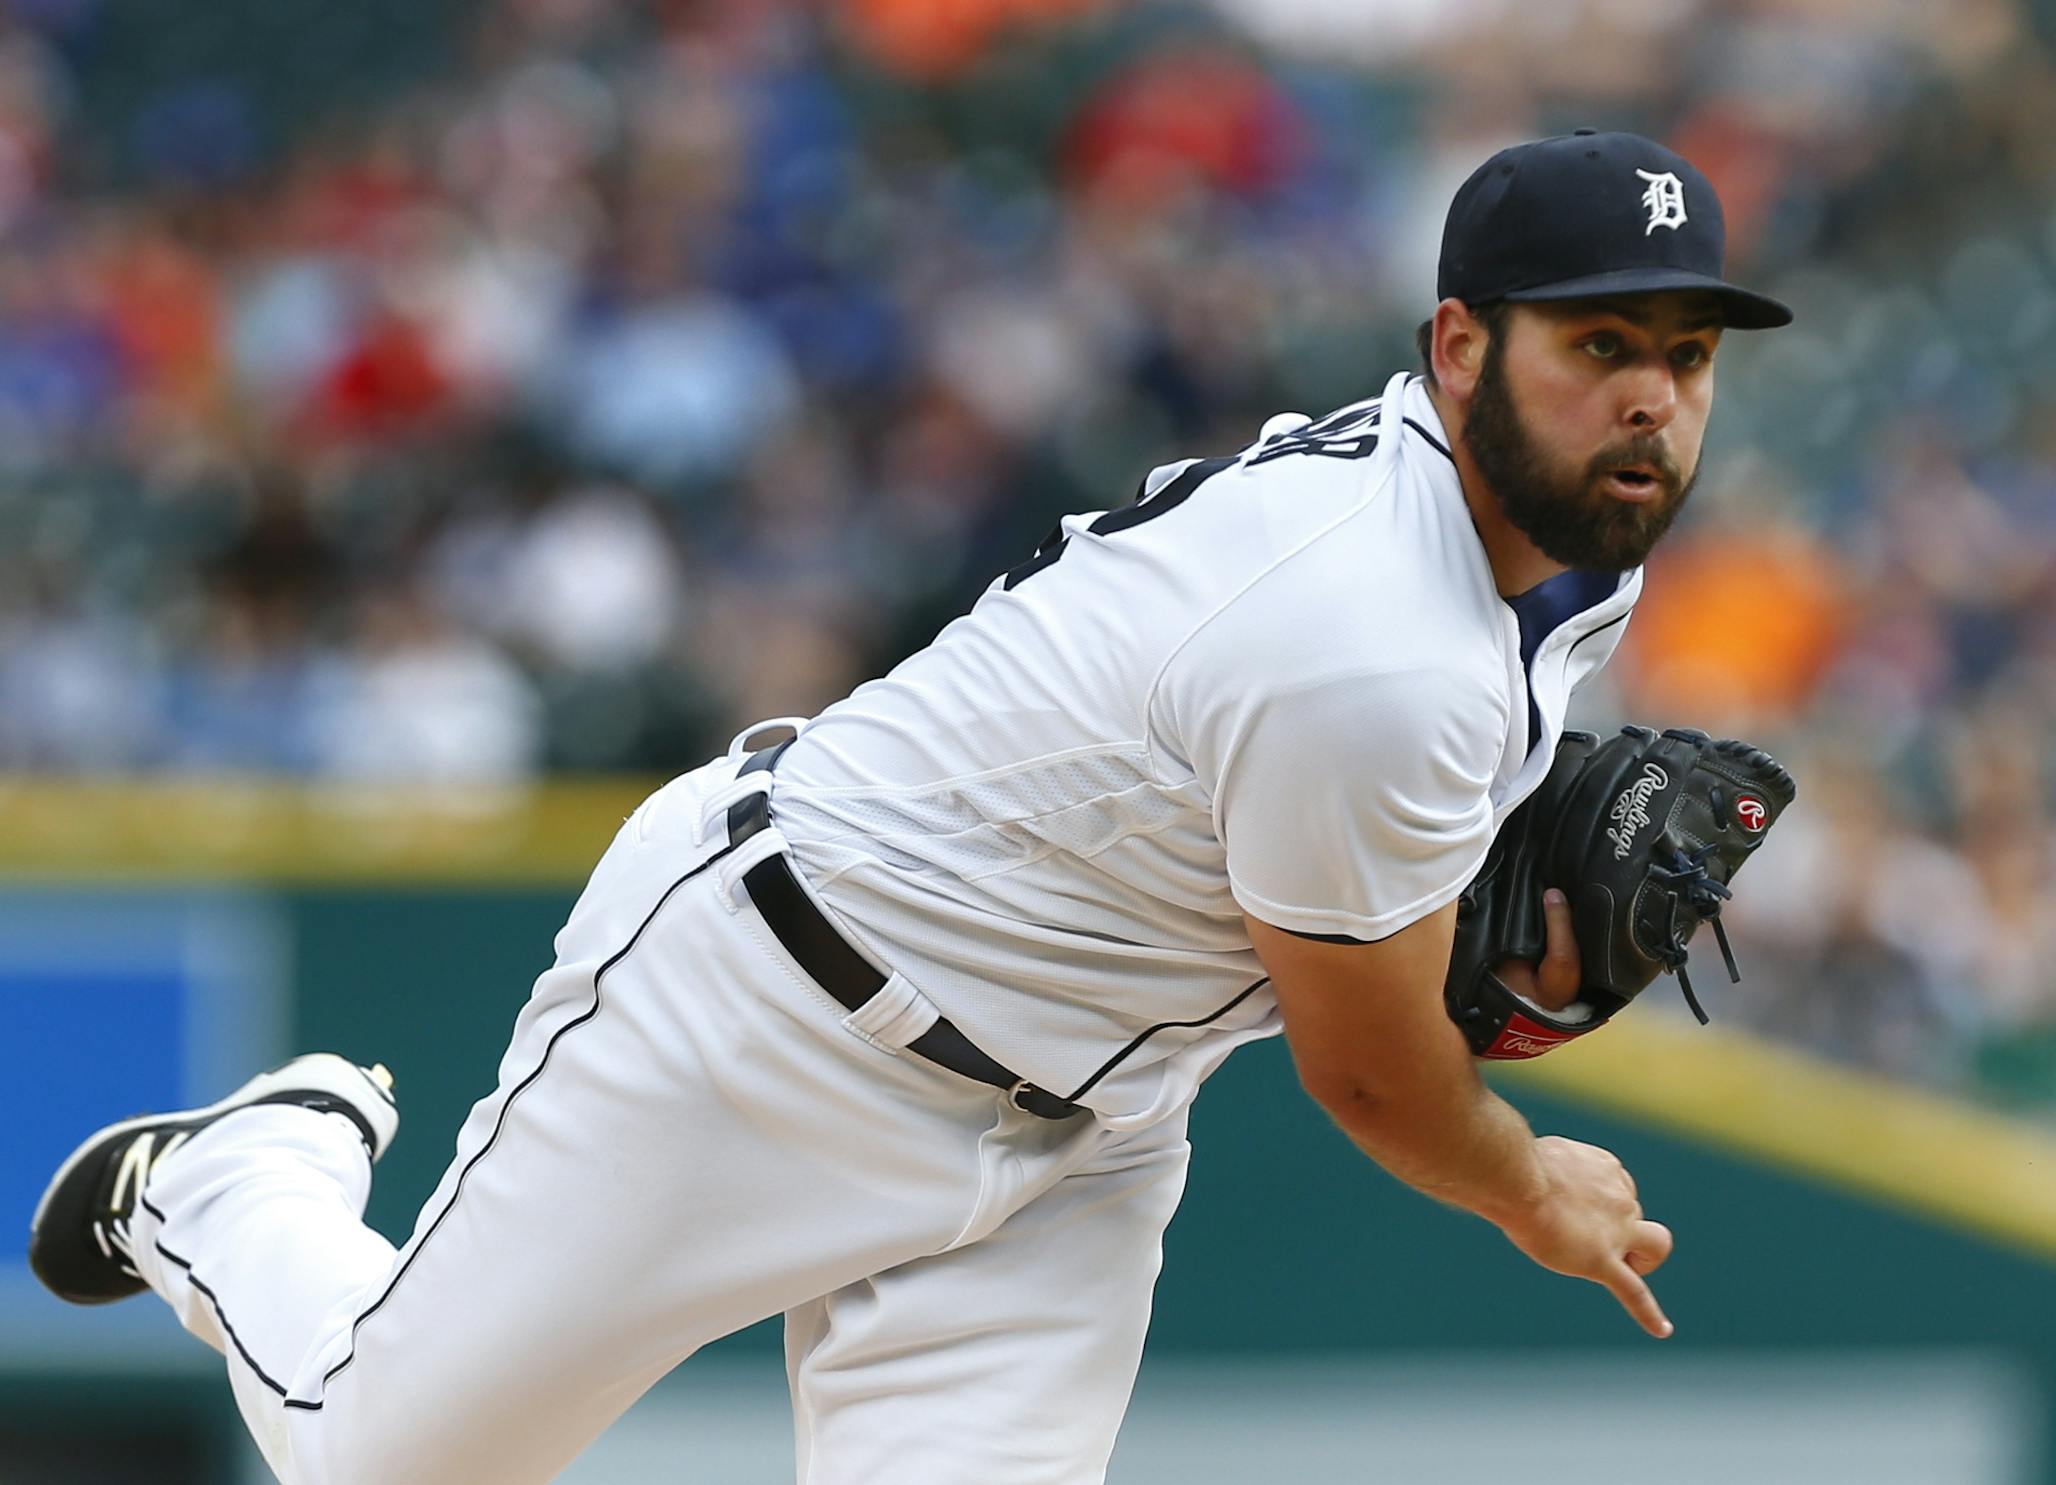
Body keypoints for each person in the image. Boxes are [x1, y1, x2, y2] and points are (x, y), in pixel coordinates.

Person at [29, 129, 1792, 1485]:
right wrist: (1528, 1184)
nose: (1652, 396)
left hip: (1079, 1128)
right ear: (1460, 345)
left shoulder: (1562, 541)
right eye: (1602, 342)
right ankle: (240, 1171)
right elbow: (1370, 1072)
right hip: (776, 1009)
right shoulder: (1373, 636)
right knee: (377, 1454)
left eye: (1690, 356)